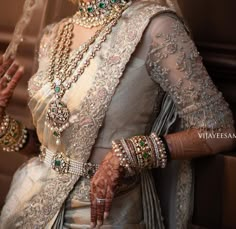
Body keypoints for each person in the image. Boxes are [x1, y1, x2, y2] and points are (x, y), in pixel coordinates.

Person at [0, 0, 235, 228]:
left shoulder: (155, 27)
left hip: (104, 216)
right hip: (26, 207)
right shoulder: (53, 35)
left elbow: (222, 133)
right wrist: (3, 126)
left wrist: (132, 153)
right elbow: (50, 153)